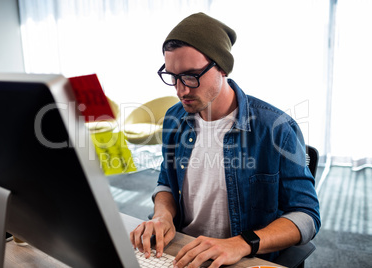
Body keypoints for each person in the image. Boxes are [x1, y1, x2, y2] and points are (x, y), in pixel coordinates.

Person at [130, 12, 321, 268]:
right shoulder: (174, 119)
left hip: (243, 258)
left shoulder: (276, 128)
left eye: (191, 76)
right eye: (173, 76)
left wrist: (241, 243)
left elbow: (306, 216)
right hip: (184, 252)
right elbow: (166, 182)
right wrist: (163, 215)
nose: (180, 90)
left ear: (221, 67)